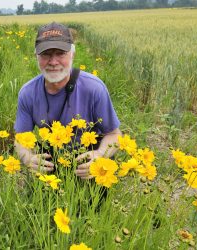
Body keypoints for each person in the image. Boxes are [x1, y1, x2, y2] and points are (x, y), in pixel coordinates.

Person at [14, 22, 121, 180]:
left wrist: (99, 155)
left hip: (88, 163)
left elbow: (114, 134)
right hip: (51, 163)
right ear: (37, 57)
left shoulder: (94, 88)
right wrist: (29, 159)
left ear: (72, 54)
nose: (53, 61)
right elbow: (20, 139)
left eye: (60, 53)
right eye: (46, 54)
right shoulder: (28, 93)